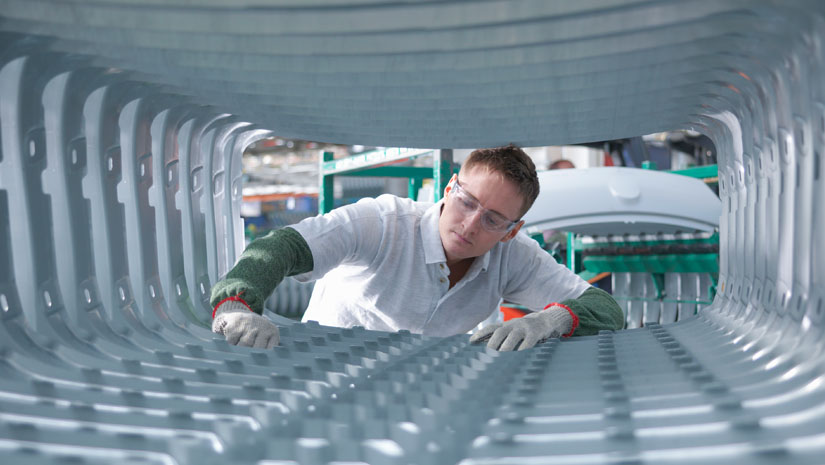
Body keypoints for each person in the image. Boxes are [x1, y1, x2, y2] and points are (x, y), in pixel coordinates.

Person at [210, 145, 623, 351]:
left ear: (513, 230)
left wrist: (547, 321)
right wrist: (236, 305)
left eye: (494, 219)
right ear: (449, 188)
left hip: (422, 392)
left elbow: (607, 309)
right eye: (467, 201)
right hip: (327, 374)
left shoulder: (514, 255)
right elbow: (282, 247)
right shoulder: (380, 224)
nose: (472, 224)